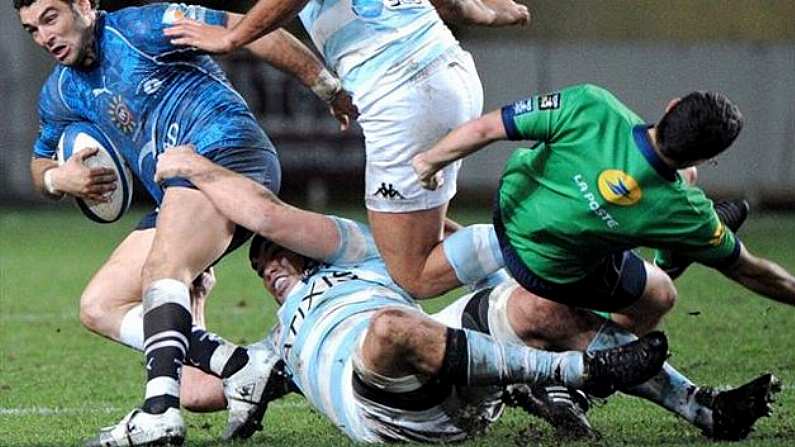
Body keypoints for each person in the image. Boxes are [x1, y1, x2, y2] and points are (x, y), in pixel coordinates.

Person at [154, 145, 778, 443]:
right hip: (388, 413)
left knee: (540, 302)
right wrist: (198, 303)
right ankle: (572, 372)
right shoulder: (279, 346)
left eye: (273, 255)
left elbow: (268, 214)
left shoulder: (362, 257)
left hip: (454, 365)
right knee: (389, 331)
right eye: (260, 269)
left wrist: (195, 169)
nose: (268, 266)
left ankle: (705, 408)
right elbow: (200, 391)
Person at [15, 0, 356, 445]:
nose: (45, 37)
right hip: (176, 189)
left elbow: (254, 29)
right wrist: (62, 178)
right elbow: (40, 164)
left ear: (84, 5)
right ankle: (243, 366)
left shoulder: (143, 25)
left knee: (162, 271)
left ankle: (158, 415)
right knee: (100, 306)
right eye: (33, 31)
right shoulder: (60, 91)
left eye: (50, 18)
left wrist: (327, 87)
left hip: (227, 152)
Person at [161, 0, 530, 299]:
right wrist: (494, 11)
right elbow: (448, 7)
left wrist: (233, 38)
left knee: (414, 274)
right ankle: (512, 301)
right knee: (420, 234)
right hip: (445, 71)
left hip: (402, 90)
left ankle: (540, 235)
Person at [412, 84, 795, 335]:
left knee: (681, 186)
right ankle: (585, 378)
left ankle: (675, 250)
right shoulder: (686, 211)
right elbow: (753, 272)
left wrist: (430, 161)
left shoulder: (592, 104)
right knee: (661, 292)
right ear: (712, 156)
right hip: (546, 270)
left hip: (509, 210)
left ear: (671, 106)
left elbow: (485, 130)